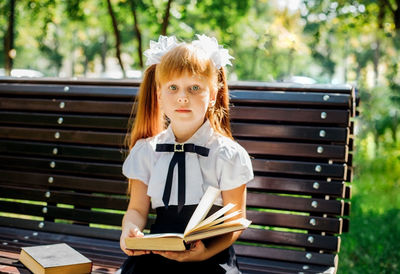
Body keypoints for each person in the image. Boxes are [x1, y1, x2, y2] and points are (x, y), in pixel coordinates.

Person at [119, 35, 254, 274]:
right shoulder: (147, 151)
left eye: (195, 88)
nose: (183, 97)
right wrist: (129, 230)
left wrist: (204, 252)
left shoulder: (227, 154)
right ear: (160, 95)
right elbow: (137, 210)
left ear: (212, 95)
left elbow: (235, 222)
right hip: (158, 255)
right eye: (173, 87)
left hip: (210, 257)